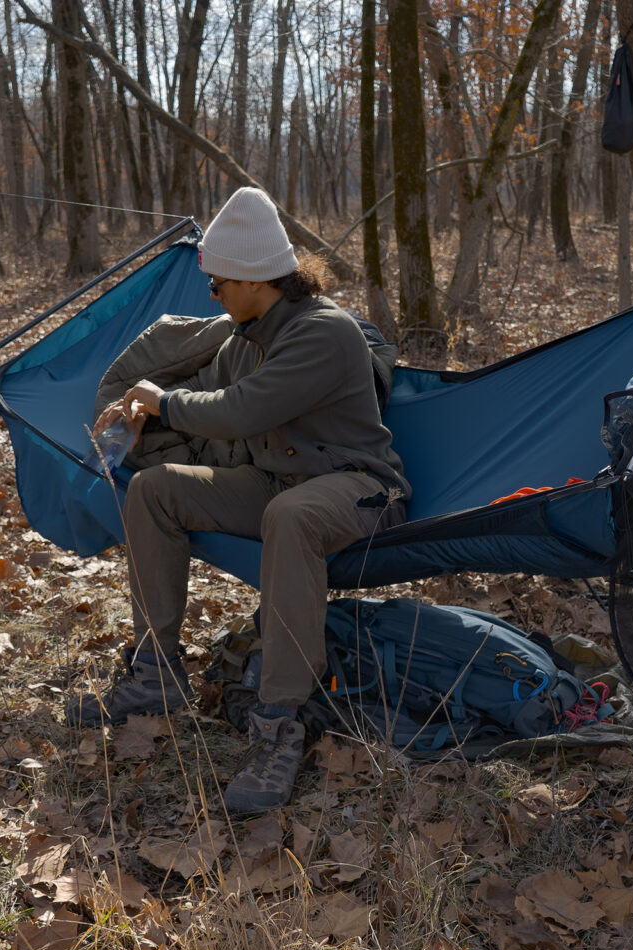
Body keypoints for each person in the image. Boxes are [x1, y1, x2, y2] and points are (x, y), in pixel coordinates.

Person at [66, 187, 411, 814]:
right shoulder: (245, 336)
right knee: (154, 490)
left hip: (358, 489)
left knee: (292, 515)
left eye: (218, 283)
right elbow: (207, 390)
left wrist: (162, 400)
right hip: (279, 484)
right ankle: (156, 676)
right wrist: (140, 415)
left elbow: (243, 408)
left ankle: (281, 724)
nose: (213, 296)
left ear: (253, 279)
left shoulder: (325, 332)